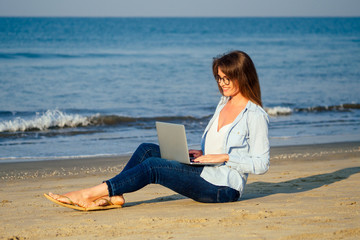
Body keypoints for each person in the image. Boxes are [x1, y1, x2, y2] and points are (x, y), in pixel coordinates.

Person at [45, 50, 270, 211]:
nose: (222, 84)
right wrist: (201, 153)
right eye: (219, 78)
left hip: (224, 188)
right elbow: (217, 144)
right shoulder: (223, 103)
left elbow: (261, 164)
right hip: (205, 170)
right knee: (147, 151)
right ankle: (114, 195)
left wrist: (226, 157)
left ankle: (87, 194)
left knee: (153, 167)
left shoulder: (255, 115)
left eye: (226, 78)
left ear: (242, 76)